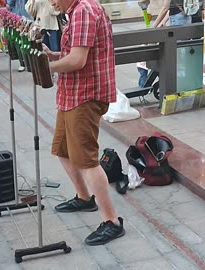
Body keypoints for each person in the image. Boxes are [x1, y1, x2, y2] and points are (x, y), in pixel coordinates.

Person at [46, 0, 124, 246]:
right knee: (63, 150)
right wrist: (56, 56)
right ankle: (83, 197)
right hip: (72, 94)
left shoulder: (83, 11)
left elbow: (78, 60)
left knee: (87, 161)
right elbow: (79, 53)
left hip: (85, 95)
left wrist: (48, 66)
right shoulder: (79, 9)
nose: (51, 2)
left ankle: (112, 221)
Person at [7, 0, 32, 72]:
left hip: (26, 16)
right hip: (17, 16)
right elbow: (9, 3)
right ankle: (23, 62)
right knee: (20, 41)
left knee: (26, 41)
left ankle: (29, 62)